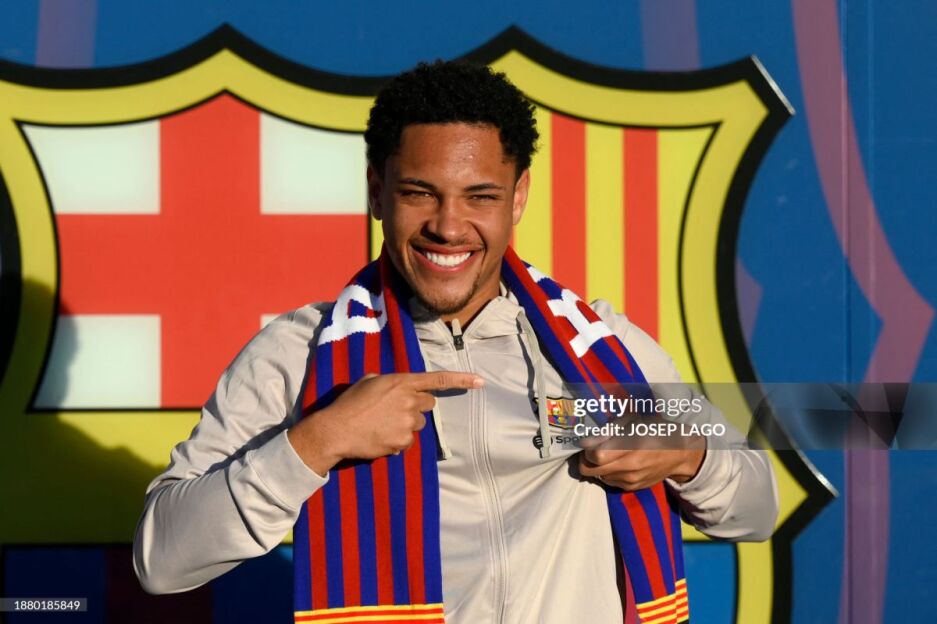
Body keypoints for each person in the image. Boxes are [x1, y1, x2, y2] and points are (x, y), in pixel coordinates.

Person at [133, 60, 778, 624]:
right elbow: (162, 560)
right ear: (377, 191)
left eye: (480, 196)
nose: (448, 226)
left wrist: (689, 456)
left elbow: (756, 507)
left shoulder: (602, 346)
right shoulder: (299, 356)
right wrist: (316, 442)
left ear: (518, 197)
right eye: (420, 193)